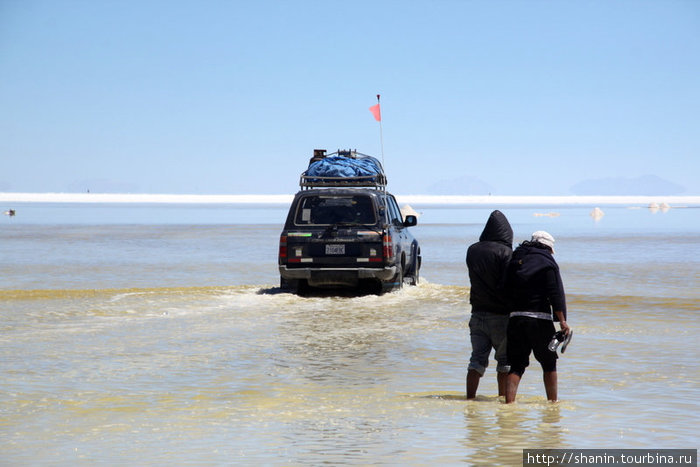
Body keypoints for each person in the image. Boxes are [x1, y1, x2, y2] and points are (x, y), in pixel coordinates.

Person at [504, 231, 570, 403]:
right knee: (549, 364)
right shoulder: (547, 262)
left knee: (516, 366)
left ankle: (509, 404)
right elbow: (555, 294)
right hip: (539, 320)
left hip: (516, 319)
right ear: (548, 247)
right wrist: (562, 321)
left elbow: (504, 288)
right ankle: (553, 404)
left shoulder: (515, 260)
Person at [466, 210, 513, 399]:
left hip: (477, 313)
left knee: (476, 360)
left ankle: (469, 399)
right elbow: (509, 283)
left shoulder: (472, 250)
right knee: (504, 362)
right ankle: (503, 401)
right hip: (501, 315)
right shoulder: (506, 252)